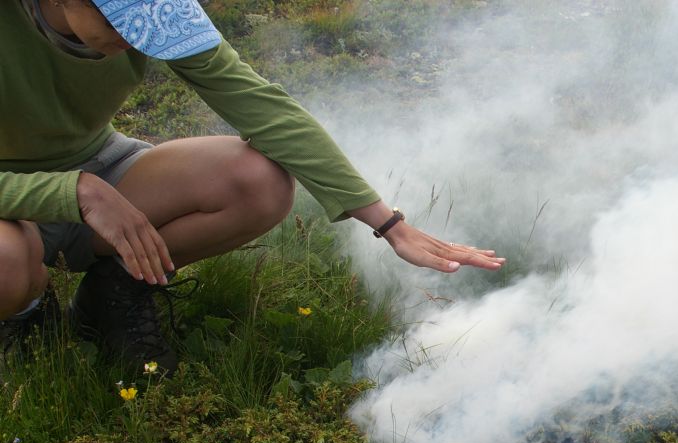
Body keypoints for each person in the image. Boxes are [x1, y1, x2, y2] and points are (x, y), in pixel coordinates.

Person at [0, 0, 503, 374]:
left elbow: (261, 105)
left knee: (257, 181)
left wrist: (389, 225)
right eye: (119, 22)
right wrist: (76, 193)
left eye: (147, 23)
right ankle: (25, 317)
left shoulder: (146, 21)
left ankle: (117, 288)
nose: (136, 41)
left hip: (102, 165)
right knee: (6, 262)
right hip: (12, 205)